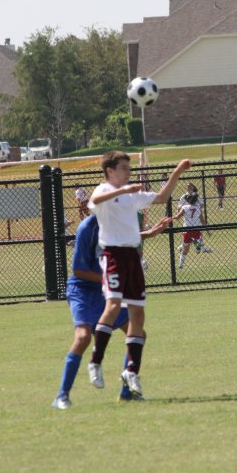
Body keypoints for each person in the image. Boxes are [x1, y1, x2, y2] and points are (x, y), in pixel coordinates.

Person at [87, 151, 191, 400]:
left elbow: (162, 197)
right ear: (110, 170)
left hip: (133, 257)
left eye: (128, 168)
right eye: (123, 168)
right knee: (112, 305)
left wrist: (177, 171)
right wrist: (123, 191)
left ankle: (131, 370)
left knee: (137, 313)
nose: (128, 172)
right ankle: (95, 361)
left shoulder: (131, 194)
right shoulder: (102, 190)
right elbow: (96, 201)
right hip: (112, 256)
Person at [53, 213, 172, 409]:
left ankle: (126, 394)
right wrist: (111, 279)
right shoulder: (86, 228)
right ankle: (61, 396)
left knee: (138, 332)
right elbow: (78, 271)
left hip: (105, 289)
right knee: (83, 337)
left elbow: (125, 240)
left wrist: (150, 233)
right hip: (82, 290)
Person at [173, 186, 213, 268]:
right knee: (197, 241)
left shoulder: (184, 208)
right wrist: (208, 231)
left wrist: (172, 217)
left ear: (188, 201)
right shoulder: (198, 209)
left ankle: (181, 264)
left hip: (187, 229)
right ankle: (198, 246)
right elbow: (203, 222)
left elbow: (177, 217)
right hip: (196, 230)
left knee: (185, 248)